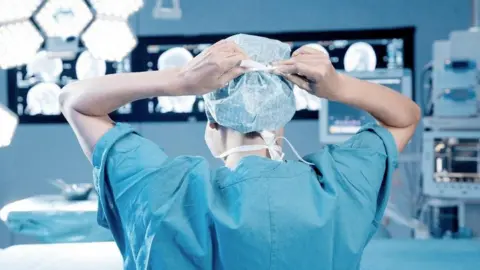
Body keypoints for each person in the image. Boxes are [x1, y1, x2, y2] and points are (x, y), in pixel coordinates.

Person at [60, 34, 420, 270]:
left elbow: (74, 101)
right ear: (281, 124)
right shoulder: (338, 188)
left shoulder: (162, 192)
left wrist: (180, 81)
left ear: (212, 128)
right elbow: (405, 118)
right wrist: (338, 85)